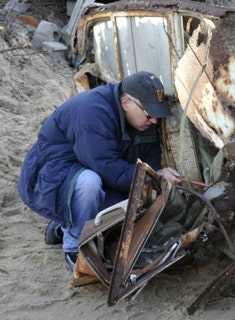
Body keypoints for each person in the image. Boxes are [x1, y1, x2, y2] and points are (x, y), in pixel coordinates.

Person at [18, 71, 183, 272]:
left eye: (157, 114)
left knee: (123, 211)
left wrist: (160, 177)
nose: (155, 121)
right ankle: (75, 248)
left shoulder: (141, 119)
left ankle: (63, 224)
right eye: (150, 114)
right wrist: (154, 178)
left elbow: (148, 160)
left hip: (90, 169)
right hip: (49, 177)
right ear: (126, 103)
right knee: (89, 184)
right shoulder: (93, 112)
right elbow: (107, 168)